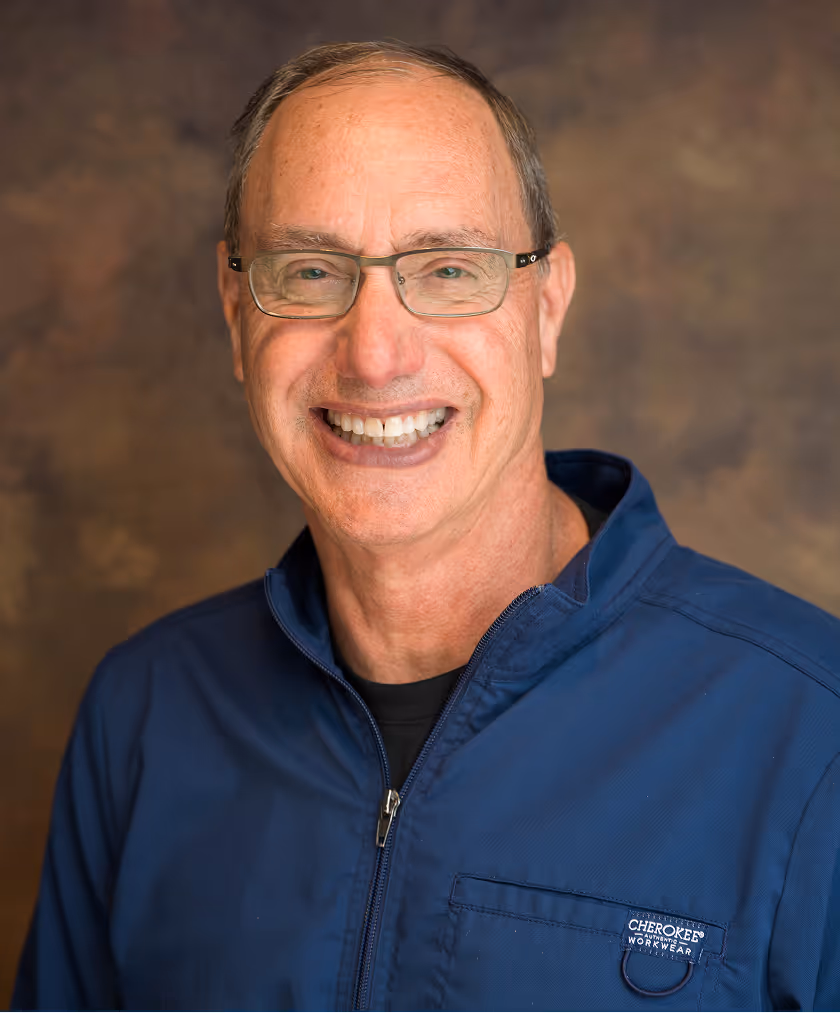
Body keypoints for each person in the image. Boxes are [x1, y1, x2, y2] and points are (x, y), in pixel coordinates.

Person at [11, 39, 840, 1012]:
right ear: (237, 311)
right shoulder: (145, 715)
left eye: (447, 268)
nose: (374, 354)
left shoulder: (809, 733)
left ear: (547, 307)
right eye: (311, 270)